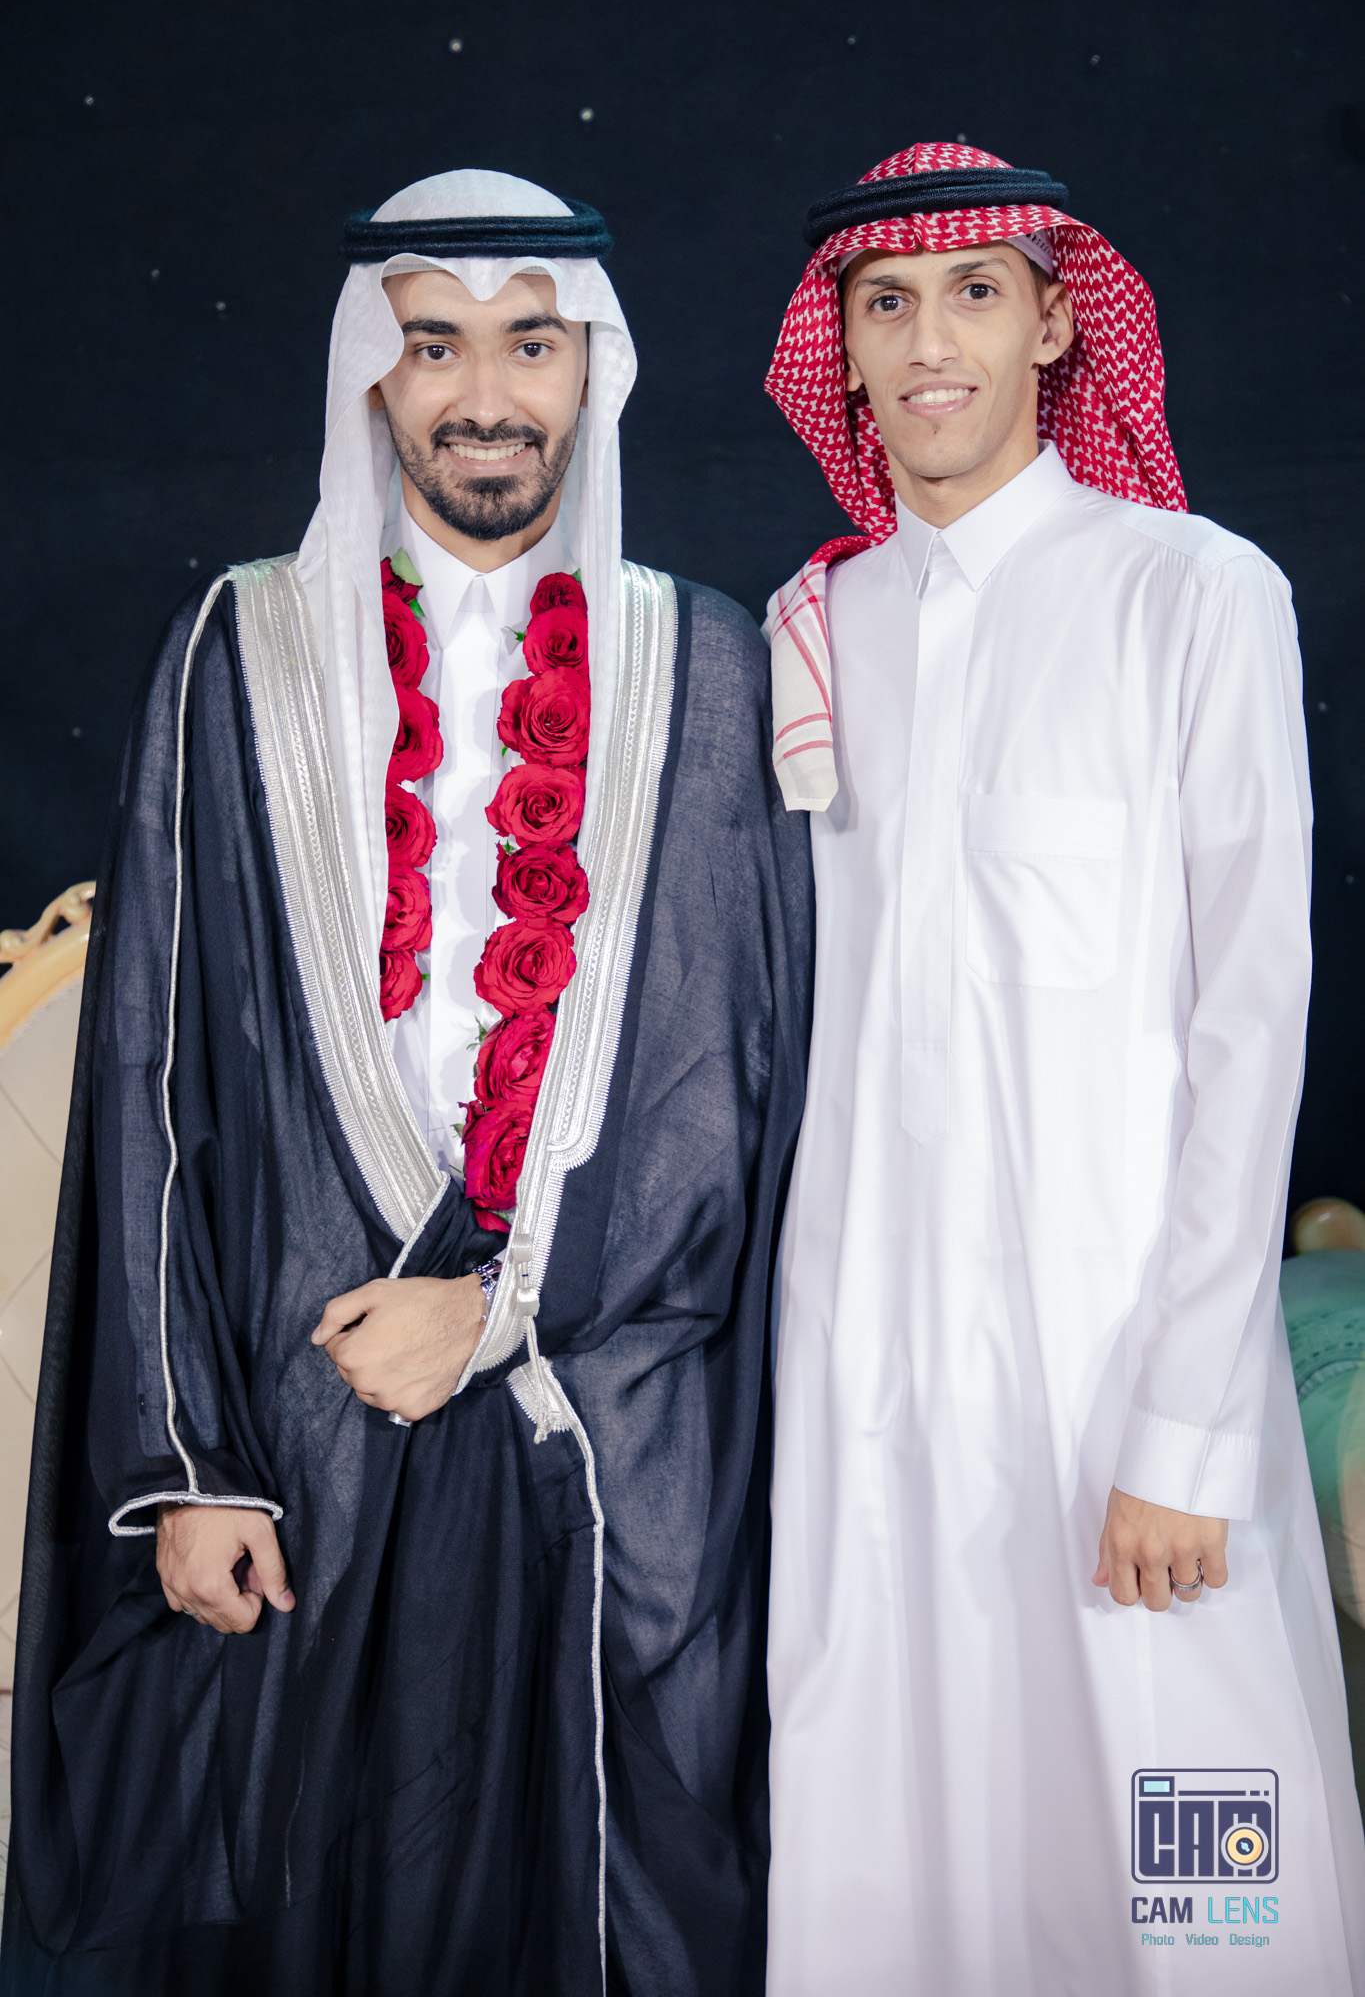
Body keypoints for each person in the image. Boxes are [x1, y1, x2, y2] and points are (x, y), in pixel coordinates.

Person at [1, 169, 811, 1997]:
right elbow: (149, 1079)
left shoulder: (708, 669)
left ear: (592, 372)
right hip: (305, 1422)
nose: (486, 396)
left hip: (606, 1418)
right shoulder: (239, 651)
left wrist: (508, 1305)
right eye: (434, 345)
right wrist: (190, 1464)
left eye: (531, 345)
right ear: (372, 373)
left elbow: (732, 1087)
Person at [761, 140, 1365, 1995]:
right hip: (868, 1373)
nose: (927, 340)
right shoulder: (809, 628)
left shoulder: (1190, 591)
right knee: (893, 1841)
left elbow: (1250, 1018)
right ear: (842, 351)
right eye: (884, 305)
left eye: (972, 293)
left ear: (1050, 325)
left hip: (1125, 1373)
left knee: (1194, 1873)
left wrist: (1184, 1427)